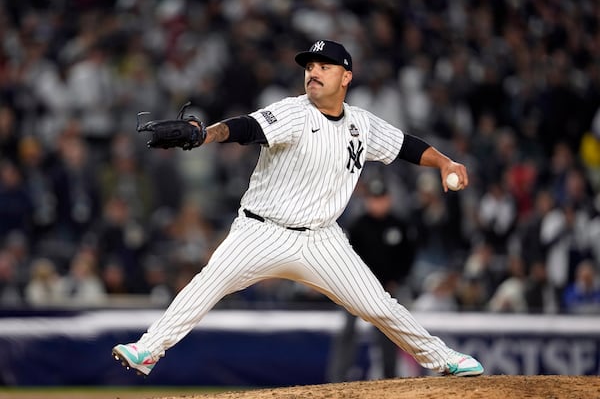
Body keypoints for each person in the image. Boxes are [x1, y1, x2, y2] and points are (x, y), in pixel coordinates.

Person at [112, 39, 484, 378]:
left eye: (324, 66)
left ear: (346, 77)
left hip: (321, 239)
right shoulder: (293, 112)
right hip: (261, 231)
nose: (314, 72)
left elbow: (407, 145)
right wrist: (204, 133)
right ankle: (147, 349)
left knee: (378, 306)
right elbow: (245, 128)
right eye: (309, 67)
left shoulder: (361, 125)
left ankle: (442, 359)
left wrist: (444, 163)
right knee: (207, 284)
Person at [326, 177, 417, 381]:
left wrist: (397, 279)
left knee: (390, 333)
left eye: (380, 198)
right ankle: (337, 379)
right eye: (373, 199)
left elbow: (408, 256)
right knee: (348, 331)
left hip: (387, 288)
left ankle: (389, 377)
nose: (377, 203)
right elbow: (346, 255)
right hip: (357, 287)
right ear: (368, 201)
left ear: (388, 200)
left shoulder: (399, 225)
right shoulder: (358, 225)